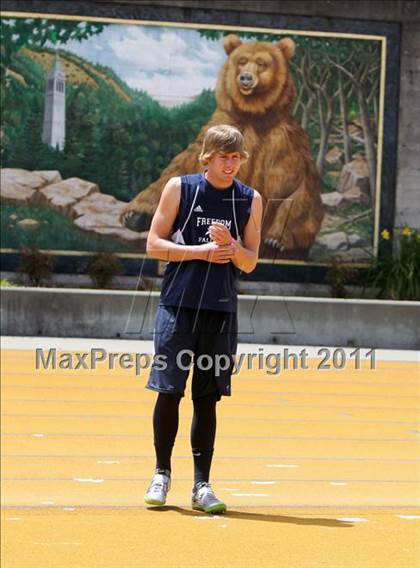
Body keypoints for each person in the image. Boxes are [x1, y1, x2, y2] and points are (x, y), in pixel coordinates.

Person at [144, 124, 262, 513]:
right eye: (223, 157)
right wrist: (203, 250)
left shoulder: (250, 199)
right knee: (169, 390)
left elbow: (249, 262)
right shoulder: (181, 188)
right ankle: (161, 474)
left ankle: (202, 485)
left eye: (236, 158)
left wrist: (231, 246)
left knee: (207, 398)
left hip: (221, 309)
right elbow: (154, 245)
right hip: (178, 306)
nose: (230, 165)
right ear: (207, 157)